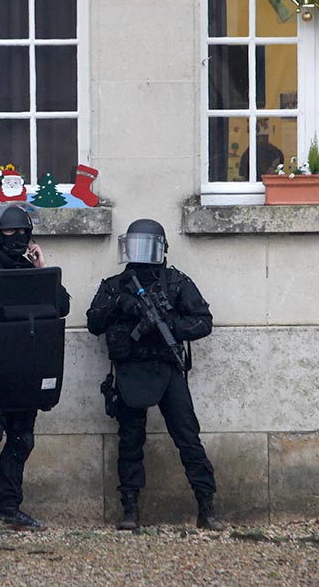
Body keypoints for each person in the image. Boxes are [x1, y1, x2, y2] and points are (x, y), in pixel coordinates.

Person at [86, 219, 226, 532]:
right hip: (131, 369)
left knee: (187, 436)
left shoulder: (175, 282)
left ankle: (206, 505)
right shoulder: (115, 285)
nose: (140, 253)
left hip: (167, 367)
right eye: (135, 245)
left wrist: (168, 325)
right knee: (130, 440)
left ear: (161, 250)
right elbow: (94, 321)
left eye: (146, 246)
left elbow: (203, 321)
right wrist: (123, 306)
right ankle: (130, 508)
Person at [0, 203, 70, 531]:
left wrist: (41, 266)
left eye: (23, 231)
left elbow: (61, 306)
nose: (18, 236)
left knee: (22, 438)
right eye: (11, 231)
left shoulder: (29, 267)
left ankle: (9, 507)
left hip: (25, 368)